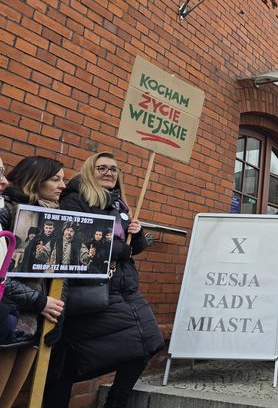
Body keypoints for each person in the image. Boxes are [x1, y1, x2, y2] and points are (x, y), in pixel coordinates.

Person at [44, 152, 164, 408]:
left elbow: (134, 248)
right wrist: (123, 249)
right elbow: (79, 238)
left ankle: (117, 400)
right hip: (92, 290)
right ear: (90, 171)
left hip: (124, 288)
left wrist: (138, 233)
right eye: (102, 168)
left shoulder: (120, 205)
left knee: (150, 342)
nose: (109, 173)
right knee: (68, 361)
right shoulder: (75, 200)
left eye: (113, 169)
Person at [0, 156, 65, 408]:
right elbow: (3, 275)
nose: (62, 185)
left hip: (36, 318)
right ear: (35, 181)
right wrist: (39, 301)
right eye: (55, 179)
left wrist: (58, 309)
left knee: (9, 399)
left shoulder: (58, 218)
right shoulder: (8, 211)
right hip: (11, 315)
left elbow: (62, 273)